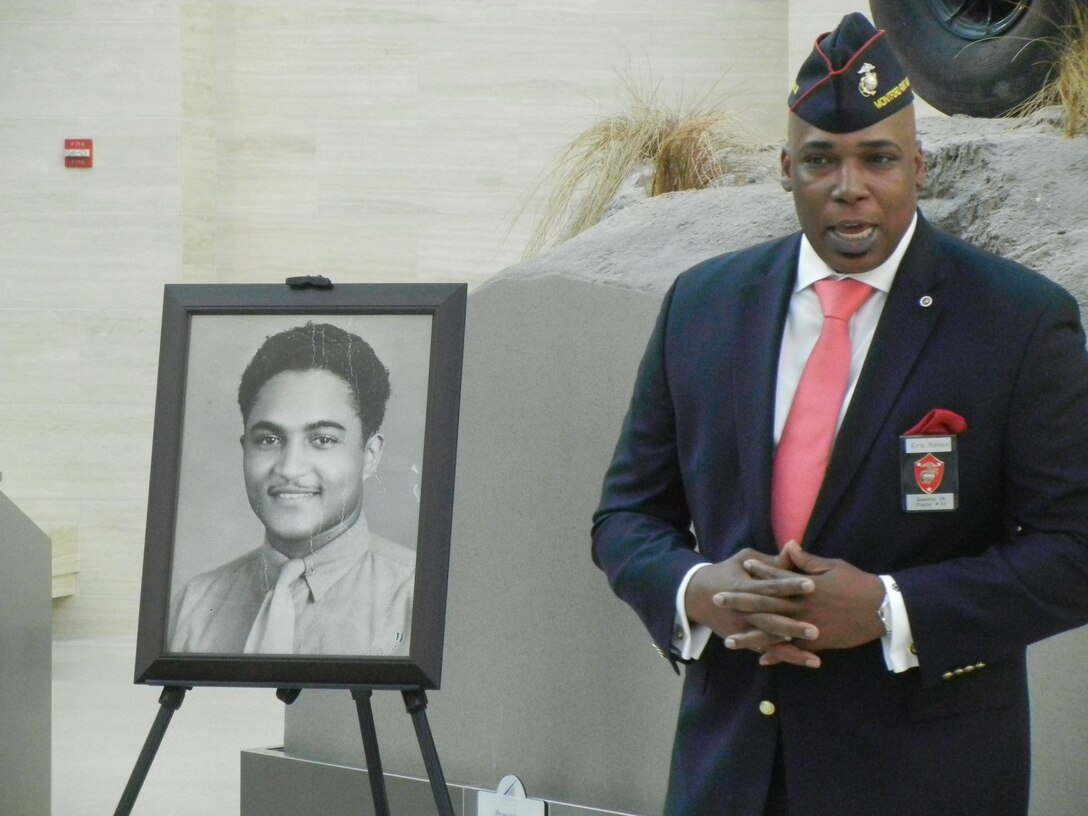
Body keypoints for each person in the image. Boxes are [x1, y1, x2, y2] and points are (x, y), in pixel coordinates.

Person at [591, 12, 1088, 816]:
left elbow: (1075, 549)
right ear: (787, 169)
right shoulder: (702, 307)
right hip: (732, 777)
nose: (848, 185)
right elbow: (625, 517)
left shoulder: (1017, 322)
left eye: (877, 158)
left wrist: (892, 609)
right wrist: (699, 590)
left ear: (919, 167)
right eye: (822, 159)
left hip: (926, 781)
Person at [169, 321, 414, 656]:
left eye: (322, 439)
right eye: (268, 440)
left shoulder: (417, 597)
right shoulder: (194, 605)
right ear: (245, 449)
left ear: (369, 456)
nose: (289, 468)